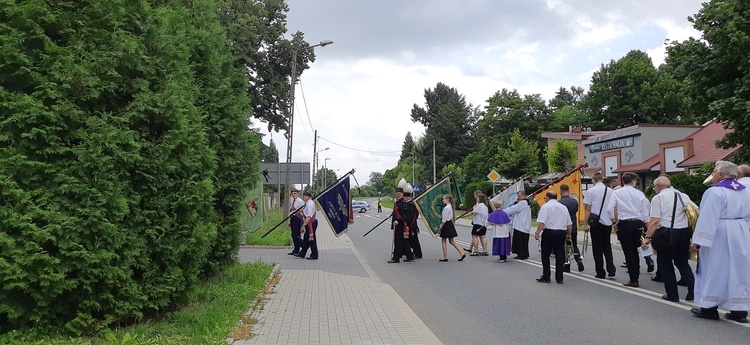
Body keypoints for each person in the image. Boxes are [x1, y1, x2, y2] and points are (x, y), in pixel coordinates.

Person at [688, 161, 750, 323]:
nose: (713, 175)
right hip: (740, 230)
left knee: (714, 269)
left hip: (719, 233)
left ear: (721, 174)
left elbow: (708, 217)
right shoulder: (745, 190)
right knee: (739, 271)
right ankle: (739, 311)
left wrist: (698, 241)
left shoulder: (715, 192)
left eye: (714, 172)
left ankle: (709, 308)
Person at [641, 175, 697, 302]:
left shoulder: (658, 198)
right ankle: (693, 288)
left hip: (666, 233)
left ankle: (672, 295)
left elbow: (655, 221)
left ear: (657, 186)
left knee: (666, 264)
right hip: (683, 233)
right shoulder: (683, 195)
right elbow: (697, 211)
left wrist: (647, 238)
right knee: (682, 262)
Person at [610, 172, 650, 287]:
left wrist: (614, 221)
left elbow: (609, 208)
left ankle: (633, 279)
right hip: (638, 223)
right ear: (634, 181)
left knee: (628, 251)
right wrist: (647, 227)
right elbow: (644, 212)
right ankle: (635, 276)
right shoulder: (640, 194)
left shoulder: (617, 192)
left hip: (624, 223)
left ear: (623, 181)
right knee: (635, 250)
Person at [534, 191, 572, 284]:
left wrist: (537, 232)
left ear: (547, 197)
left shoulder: (546, 206)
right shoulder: (563, 207)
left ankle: (546, 276)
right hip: (561, 232)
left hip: (549, 232)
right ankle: (559, 278)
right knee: (560, 255)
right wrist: (569, 234)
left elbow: (542, 222)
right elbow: (569, 223)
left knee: (545, 255)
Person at [583, 173, 616, 279]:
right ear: (602, 179)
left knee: (597, 248)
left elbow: (588, 208)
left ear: (593, 180)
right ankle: (611, 269)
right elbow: (615, 207)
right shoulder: (611, 191)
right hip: (607, 222)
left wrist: (585, 223)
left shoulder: (590, 191)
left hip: (596, 222)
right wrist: (615, 221)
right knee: (607, 245)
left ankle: (600, 271)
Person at [388, 179, 414, 263]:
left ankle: (396, 258)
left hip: (401, 225)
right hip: (396, 225)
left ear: (402, 194)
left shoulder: (404, 203)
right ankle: (410, 256)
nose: (398, 195)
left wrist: (398, 221)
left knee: (398, 242)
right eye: (397, 194)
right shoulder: (396, 203)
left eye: (399, 194)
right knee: (403, 241)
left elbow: (405, 216)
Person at [437, 194, 466, 262]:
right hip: (450, 224)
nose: (443, 200)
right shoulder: (450, 207)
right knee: (451, 240)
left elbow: (444, 218)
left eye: (444, 199)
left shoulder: (446, 208)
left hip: (446, 224)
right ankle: (462, 253)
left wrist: (441, 225)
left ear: (447, 199)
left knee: (443, 240)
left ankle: (445, 257)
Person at [504, 191, 532, 260]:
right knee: (523, 241)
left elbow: (512, 209)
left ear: (523, 195)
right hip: (524, 224)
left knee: (520, 240)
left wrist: (502, 211)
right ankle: (524, 253)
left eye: (519, 195)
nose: (518, 197)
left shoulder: (522, 203)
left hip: (521, 225)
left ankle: (521, 254)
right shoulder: (525, 203)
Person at [297, 191, 319, 260]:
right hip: (310, 223)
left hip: (311, 223)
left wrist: (303, 225)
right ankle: (302, 253)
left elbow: (309, 217)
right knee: (306, 239)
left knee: (311, 239)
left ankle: (314, 255)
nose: (303, 197)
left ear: (308, 196)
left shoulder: (309, 204)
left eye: (304, 196)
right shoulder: (308, 203)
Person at [403, 184, 422, 259]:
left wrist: (406, 221)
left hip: (412, 224)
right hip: (411, 224)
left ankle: (418, 253)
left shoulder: (411, 204)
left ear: (407, 197)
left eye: (404, 197)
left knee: (413, 240)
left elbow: (411, 215)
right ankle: (414, 252)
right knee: (410, 239)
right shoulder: (409, 203)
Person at [287, 188, 305, 256]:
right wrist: (290, 222)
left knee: (296, 235)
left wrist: (293, 212)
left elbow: (301, 210)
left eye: (295, 193)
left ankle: (304, 245)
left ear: (298, 194)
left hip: (298, 218)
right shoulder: (294, 201)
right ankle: (296, 250)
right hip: (293, 218)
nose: (293, 195)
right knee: (293, 235)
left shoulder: (300, 201)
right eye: (292, 194)